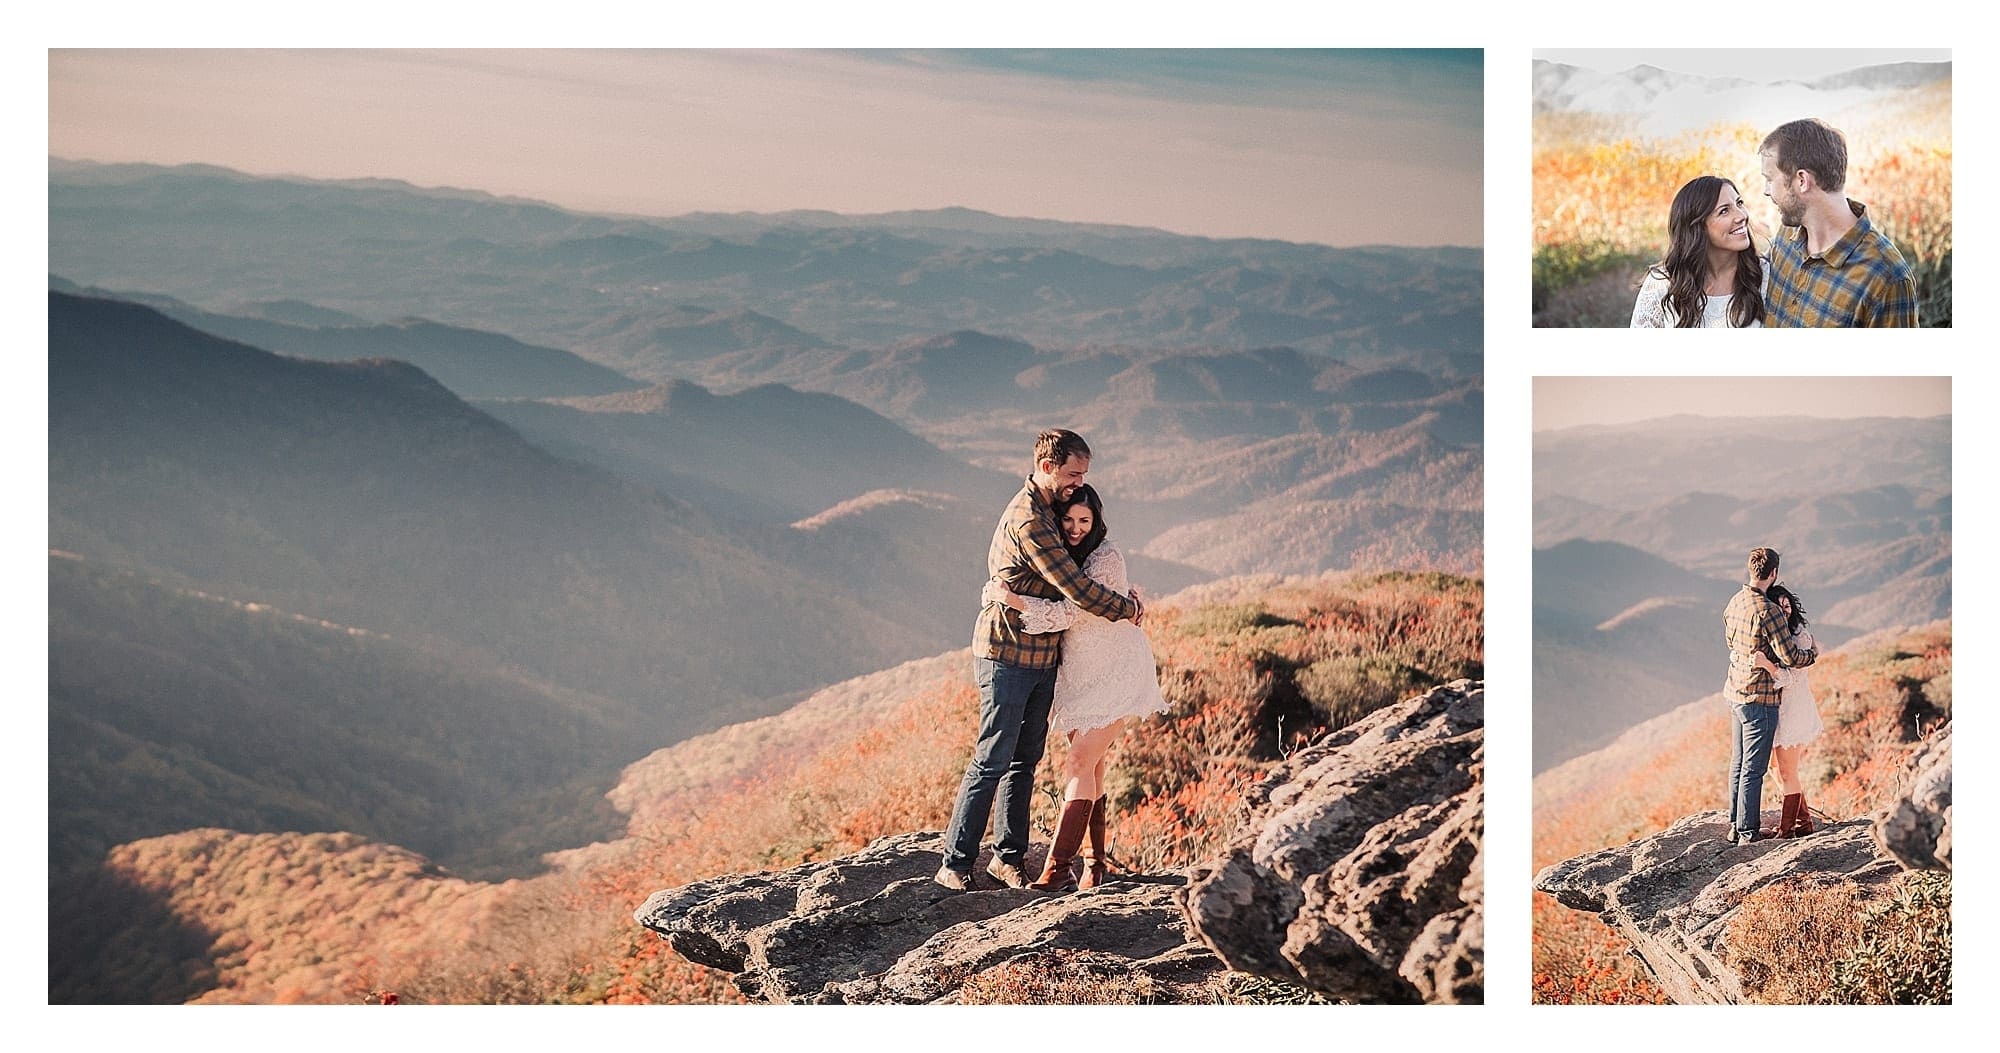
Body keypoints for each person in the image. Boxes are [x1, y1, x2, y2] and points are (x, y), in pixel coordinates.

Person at [935, 429, 1143, 892]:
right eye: (1072, 473)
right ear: (1047, 467)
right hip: (1006, 653)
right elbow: (1076, 589)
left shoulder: (1052, 510)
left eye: (1083, 475)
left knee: (1024, 760)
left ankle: (1007, 858)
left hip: (1042, 657)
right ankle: (955, 861)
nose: (1078, 482)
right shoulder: (1030, 519)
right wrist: (1127, 608)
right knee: (992, 758)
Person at [983, 484, 1169, 891]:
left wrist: (1013, 602)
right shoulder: (1062, 556)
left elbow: (1074, 609)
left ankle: (1057, 869)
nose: (1075, 527)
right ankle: (1096, 864)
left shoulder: (1106, 556)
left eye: (1084, 520)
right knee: (1094, 766)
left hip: (1115, 671)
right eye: (1067, 519)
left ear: (1096, 520)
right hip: (1079, 674)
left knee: (1079, 764)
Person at [1758, 118, 1919, 327]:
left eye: (1770, 179)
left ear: (1802, 181)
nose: (1766, 190)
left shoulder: (1886, 278)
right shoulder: (1785, 237)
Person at [1722, 547, 1818, 845]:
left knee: (1738, 763)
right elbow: (1790, 656)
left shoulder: (1735, 601)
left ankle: (1735, 825)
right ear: (1774, 573)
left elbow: (1730, 641)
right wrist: (1812, 654)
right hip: (1760, 697)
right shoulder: (1768, 610)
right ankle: (1748, 833)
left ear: (1751, 569)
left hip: (1735, 691)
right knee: (1754, 768)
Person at [1630, 175, 1767, 328]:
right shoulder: (1662, 284)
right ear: (1697, 228)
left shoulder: (1765, 276)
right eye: (1724, 211)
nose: (1742, 216)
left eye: (1739, 203)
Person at [1753, 584, 1823, 838]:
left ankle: (1787, 829)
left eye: (1787, 606)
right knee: (1774, 768)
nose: (1784, 611)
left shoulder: (1799, 636)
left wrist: (1767, 666)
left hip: (1794, 710)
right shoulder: (1779, 636)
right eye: (1779, 608)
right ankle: (1804, 822)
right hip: (1781, 709)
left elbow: (1792, 679)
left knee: (1787, 771)